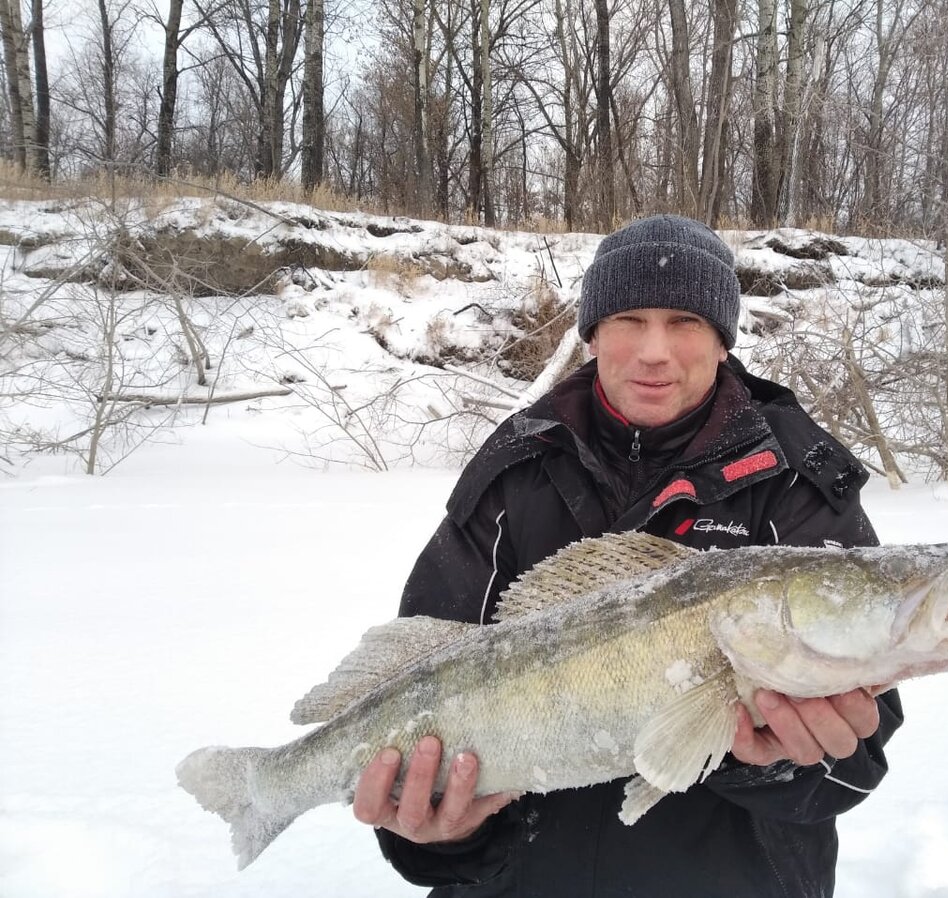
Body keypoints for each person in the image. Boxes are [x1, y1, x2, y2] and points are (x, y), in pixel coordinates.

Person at [352, 214, 903, 897]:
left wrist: (765, 762)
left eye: (684, 323)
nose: (653, 352)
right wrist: (444, 834)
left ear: (723, 342)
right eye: (628, 320)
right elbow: (417, 690)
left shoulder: (796, 484)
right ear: (592, 335)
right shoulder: (512, 474)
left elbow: (860, 759)